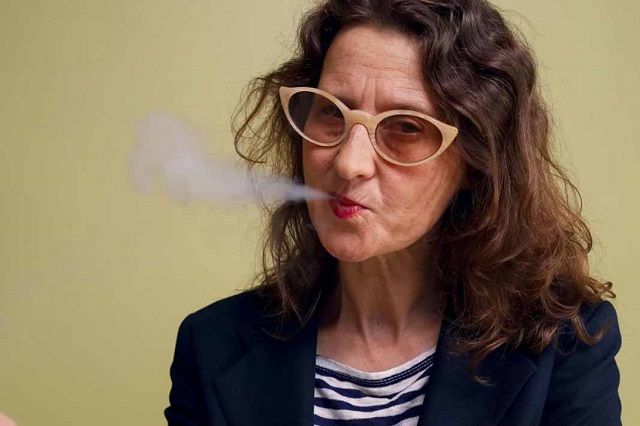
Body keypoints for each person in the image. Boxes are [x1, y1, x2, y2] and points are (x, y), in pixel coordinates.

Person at [165, 0, 622, 425]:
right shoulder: (211, 346)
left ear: (475, 160)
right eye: (332, 112)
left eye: (405, 127)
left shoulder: (564, 345)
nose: (349, 163)